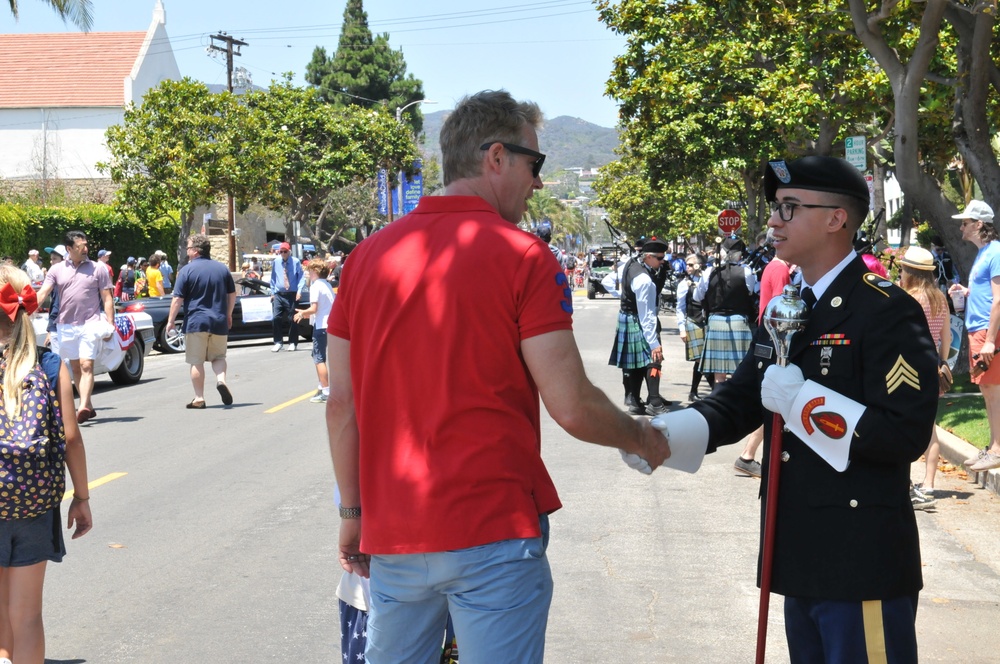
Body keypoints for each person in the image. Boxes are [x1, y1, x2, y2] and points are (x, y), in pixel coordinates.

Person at [325, 89, 670, 663]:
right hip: (493, 532)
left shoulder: (365, 259)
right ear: (495, 158)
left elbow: (342, 404)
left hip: (395, 533)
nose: (538, 182)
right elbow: (571, 405)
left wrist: (353, 514)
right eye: (534, 165)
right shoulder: (524, 256)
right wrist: (642, 438)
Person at [623, 155, 938, 663]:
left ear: (836, 219)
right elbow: (745, 396)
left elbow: (904, 433)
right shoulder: (788, 305)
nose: (773, 221)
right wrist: (666, 434)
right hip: (798, 549)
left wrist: (804, 404)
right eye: (775, 208)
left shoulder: (885, 309)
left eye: (790, 208)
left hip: (860, 558)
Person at [0, 265, 92, 664]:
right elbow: (71, 437)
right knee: (27, 615)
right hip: (33, 505)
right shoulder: (51, 364)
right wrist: (82, 497)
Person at [35, 231, 115, 425]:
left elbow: (107, 298)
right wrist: (26, 311)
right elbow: (43, 292)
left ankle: (84, 406)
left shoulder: (99, 268)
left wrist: (110, 326)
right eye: (81, 246)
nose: (85, 249)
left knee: (87, 365)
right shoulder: (56, 270)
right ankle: (89, 406)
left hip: (90, 323)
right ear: (69, 249)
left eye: (86, 245)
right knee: (75, 367)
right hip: (65, 325)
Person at [733, 255, 796, 479]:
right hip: (775, 341)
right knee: (773, 404)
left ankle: (747, 456)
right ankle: (747, 455)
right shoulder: (780, 269)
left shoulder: (772, 266)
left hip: (766, 337)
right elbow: (784, 310)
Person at [949, 200, 1000, 472]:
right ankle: (993, 447)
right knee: (986, 388)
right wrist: (967, 292)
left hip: (986, 331)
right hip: (977, 329)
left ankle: (998, 449)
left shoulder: (996, 252)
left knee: (992, 389)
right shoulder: (984, 253)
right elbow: (988, 293)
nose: (961, 227)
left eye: (966, 222)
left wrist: (991, 339)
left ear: (979, 224)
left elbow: (999, 300)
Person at [898, 246, 950, 509]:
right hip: (933, 366)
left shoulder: (908, 298)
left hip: (909, 367)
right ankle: (929, 485)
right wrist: (942, 363)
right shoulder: (940, 298)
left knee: (903, 424)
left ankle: (904, 484)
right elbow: (947, 339)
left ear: (909, 271)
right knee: (930, 429)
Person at [165, 234, 236, 409]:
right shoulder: (222, 269)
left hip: (196, 322)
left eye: (188, 248)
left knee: (196, 361)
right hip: (219, 320)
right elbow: (232, 294)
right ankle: (221, 380)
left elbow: (177, 298)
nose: (187, 251)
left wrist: (170, 321)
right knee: (218, 357)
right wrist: (228, 314)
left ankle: (199, 398)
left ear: (196, 251)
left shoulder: (186, 271)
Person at [609, 239, 672, 416]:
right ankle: (655, 402)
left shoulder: (631, 263)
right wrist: (653, 343)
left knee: (636, 363)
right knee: (654, 359)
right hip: (638, 319)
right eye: (660, 258)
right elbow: (647, 314)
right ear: (649, 257)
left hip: (628, 316)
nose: (662, 262)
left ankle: (635, 401)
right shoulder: (644, 280)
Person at [694, 236, 758, 384]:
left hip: (715, 321)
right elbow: (750, 293)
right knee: (739, 370)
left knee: (719, 374)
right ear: (739, 255)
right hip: (739, 322)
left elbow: (697, 297)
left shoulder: (709, 271)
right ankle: (736, 403)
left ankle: (719, 402)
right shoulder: (746, 272)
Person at [293, 259, 336, 403]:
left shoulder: (316, 286)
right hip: (329, 324)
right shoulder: (327, 285)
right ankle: (321, 387)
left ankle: (325, 391)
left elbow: (314, 309)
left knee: (319, 358)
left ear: (316, 272)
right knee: (318, 355)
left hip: (321, 325)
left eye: (309, 271)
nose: (307, 273)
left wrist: (301, 313)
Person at [676, 254, 713, 402]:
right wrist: (681, 328)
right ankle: (717, 390)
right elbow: (680, 308)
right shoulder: (683, 284)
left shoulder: (707, 280)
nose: (687, 267)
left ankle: (693, 391)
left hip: (707, 322)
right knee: (699, 359)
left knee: (706, 359)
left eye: (691, 264)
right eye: (687, 264)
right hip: (692, 321)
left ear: (698, 265)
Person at [269, 242, 305, 352]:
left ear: (289, 252)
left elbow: (301, 277)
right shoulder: (276, 262)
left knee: (292, 319)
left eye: (285, 252)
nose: (283, 254)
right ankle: (278, 342)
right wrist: (272, 292)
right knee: (276, 318)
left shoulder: (295, 262)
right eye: (281, 252)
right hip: (279, 294)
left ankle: (293, 342)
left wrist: (299, 291)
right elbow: (273, 278)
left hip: (291, 294)